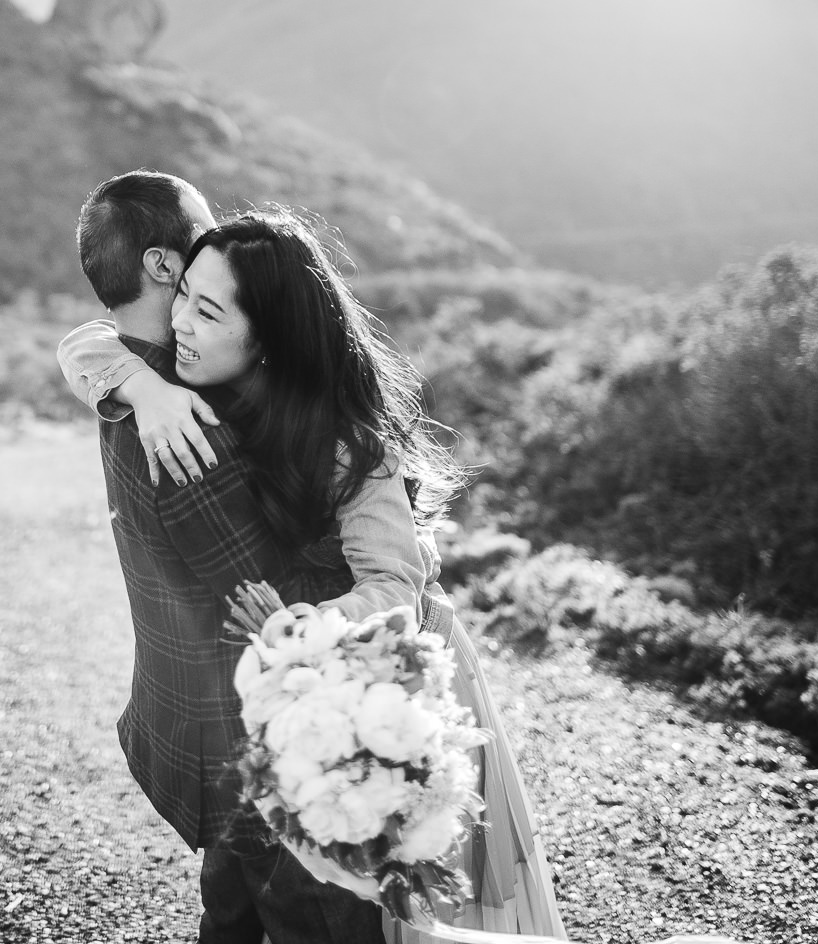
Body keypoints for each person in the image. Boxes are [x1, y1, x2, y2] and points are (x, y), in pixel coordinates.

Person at [59, 203, 569, 942]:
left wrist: (299, 624)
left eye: (207, 311)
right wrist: (145, 387)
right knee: (241, 905)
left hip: (369, 680)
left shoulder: (348, 443)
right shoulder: (186, 394)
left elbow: (394, 587)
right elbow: (87, 342)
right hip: (265, 711)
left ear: (272, 336)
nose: (180, 326)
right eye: (182, 300)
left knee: (361, 907)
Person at [69, 170, 389, 944]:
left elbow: (86, 344)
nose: (220, 240)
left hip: (211, 725)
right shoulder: (185, 427)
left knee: (232, 917)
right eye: (203, 232)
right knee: (317, 923)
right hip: (258, 741)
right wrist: (377, 540)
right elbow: (271, 603)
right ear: (162, 265)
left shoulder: (141, 384)